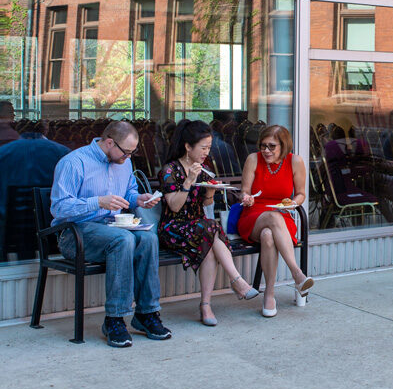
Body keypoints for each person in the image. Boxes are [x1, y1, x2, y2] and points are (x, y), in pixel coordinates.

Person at [49, 120, 168, 347]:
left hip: (111, 227)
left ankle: (146, 313)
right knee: (123, 240)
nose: (129, 158)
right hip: (74, 233)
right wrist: (97, 202)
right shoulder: (74, 162)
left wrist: (139, 199)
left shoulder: (123, 162)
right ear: (109, 142)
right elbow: (59, 207)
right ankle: (115, 318)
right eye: (126, 152)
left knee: (148, 238)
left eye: (133, 153)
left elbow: (130, 192)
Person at [157, 120, 259, 326]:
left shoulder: (204, 169)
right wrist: (188, 181)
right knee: (210, 227)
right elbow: (175, 207)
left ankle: (206, 305)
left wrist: (210, 193)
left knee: (209, 238)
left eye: (209, 148)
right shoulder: (170, 170)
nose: (206, 152)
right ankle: (236, 281)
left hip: (199, 228)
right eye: (203, 148)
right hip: (173, 228)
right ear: (188, 146)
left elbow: (206, 207)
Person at [238, 125, 314, 317]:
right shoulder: (253, 159)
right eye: (263, 146)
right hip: (253, 215)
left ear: (284, 146)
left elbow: (301, 194)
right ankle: (297, 274)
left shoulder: (295, 162)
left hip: (283, 216)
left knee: (268, 235)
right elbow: (244, 191)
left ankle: (269, 295)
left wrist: (293, 204)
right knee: (271, 218)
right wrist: (247, 197)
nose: (266, 151)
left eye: (272, 146)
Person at [0, 120, 70, 257]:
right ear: (45, 130)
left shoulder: (4, 153)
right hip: (54, 228)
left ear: (18, 130)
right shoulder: (63, 153)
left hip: (12, 229)